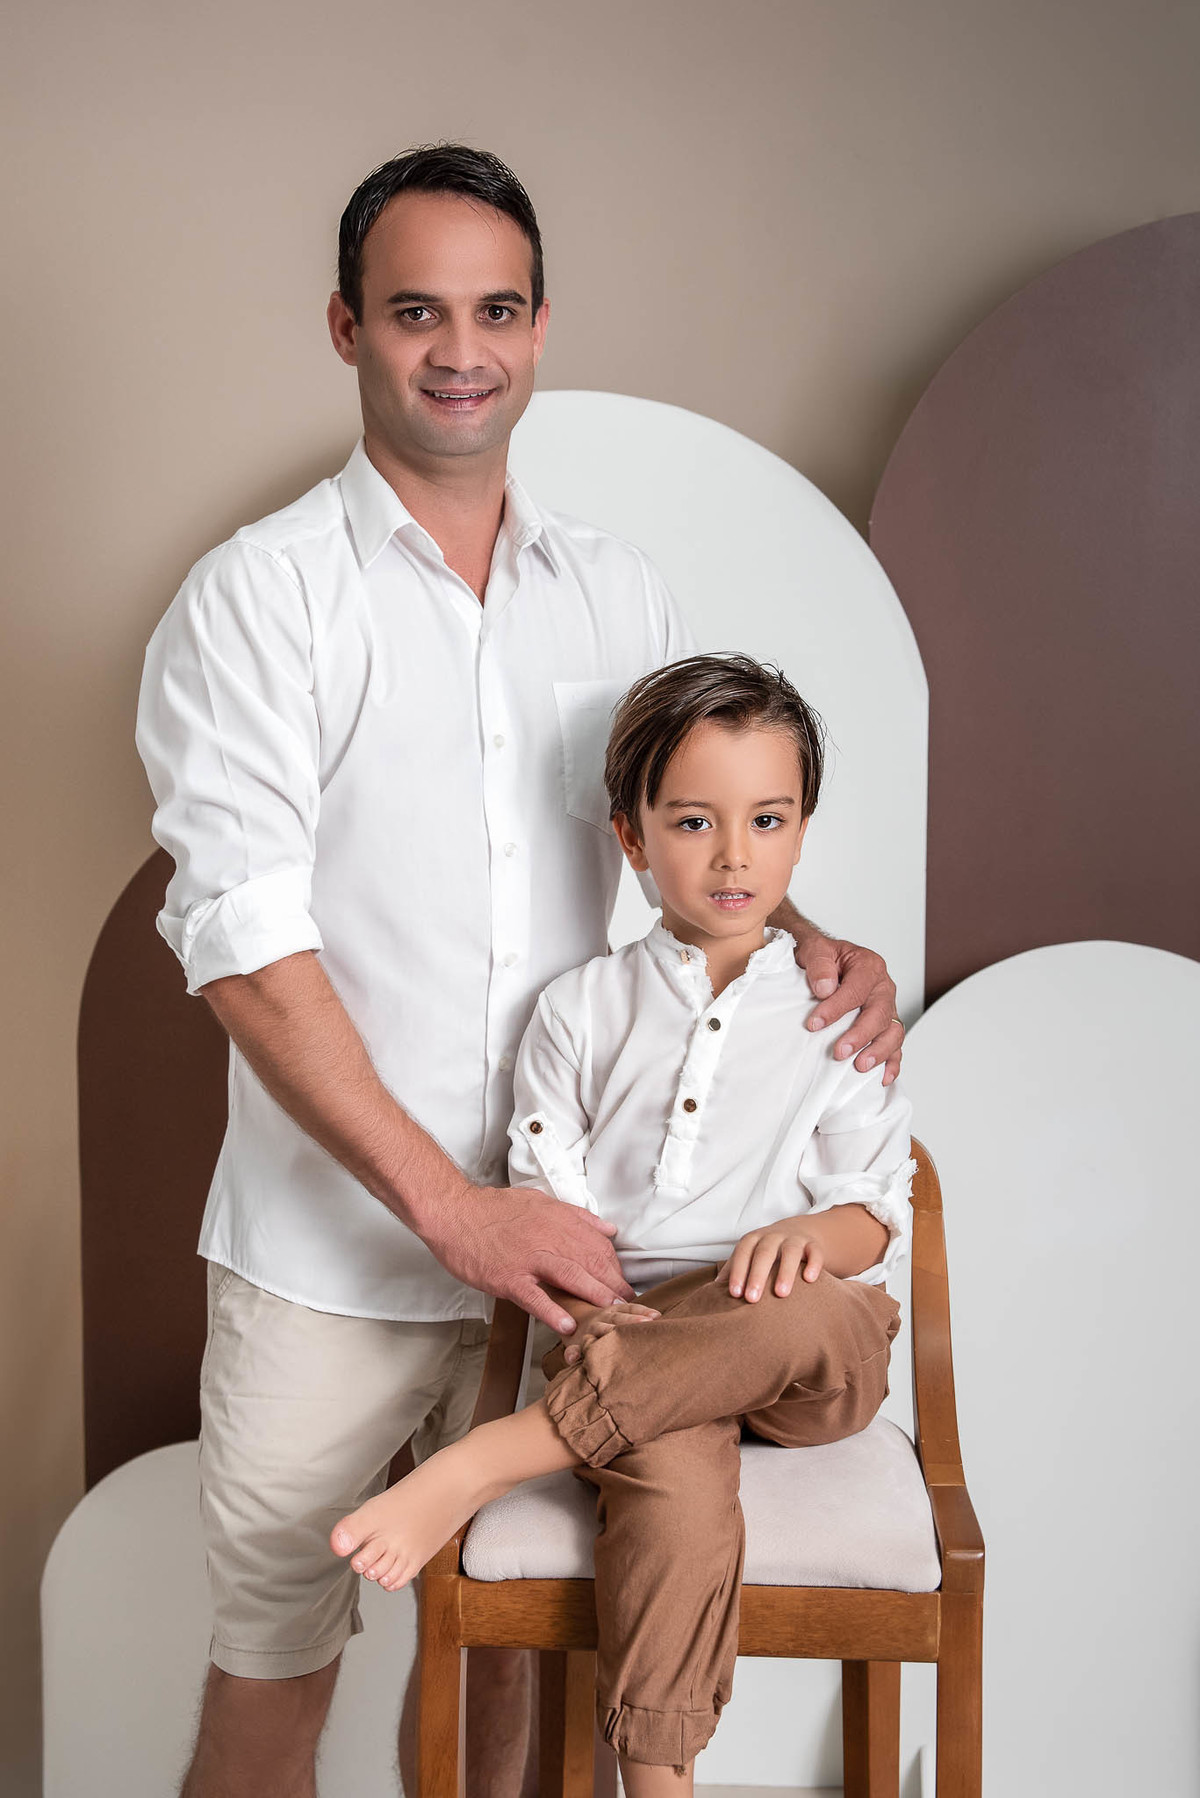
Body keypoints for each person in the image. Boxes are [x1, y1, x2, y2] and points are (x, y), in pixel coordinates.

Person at [135, 142, 906, 1798]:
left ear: (542, 327)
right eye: (416, 311)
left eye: (495, 310)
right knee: (272, 1672)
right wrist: (451, 1206)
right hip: (328, 1261)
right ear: (347, 327)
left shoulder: (618, 594)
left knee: (517, 1692)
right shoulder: (259, 599)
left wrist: (813, 941)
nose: (459, 349)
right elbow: (243, 946)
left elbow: (688, 831)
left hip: (580, 1263)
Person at [330, 653, 914, 1796]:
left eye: (767, 820)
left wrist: (818, 1241)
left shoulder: (838, 1011)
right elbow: (552, 1207)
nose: (734, 855)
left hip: (804, 1353)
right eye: (694, 821)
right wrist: (615, 1315)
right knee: (671, 1479)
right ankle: (660, 1785)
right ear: (632, 838)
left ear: (802, 832)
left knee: (807, 1312)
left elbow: (876, 1209)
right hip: (631, 1330)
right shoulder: (582, 1008)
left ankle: (484, 1460)